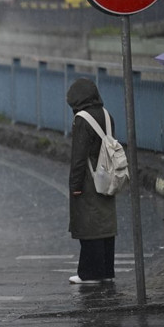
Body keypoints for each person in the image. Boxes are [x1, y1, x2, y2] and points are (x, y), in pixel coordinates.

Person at [66, 78, 117, 284]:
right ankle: (106, 270)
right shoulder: (107, 115)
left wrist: (75, 186)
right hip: (107, 175)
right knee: (105, 223)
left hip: (89, 178)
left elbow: (78, 157)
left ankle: (89, 273)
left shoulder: (82, 119)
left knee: (88, 224)